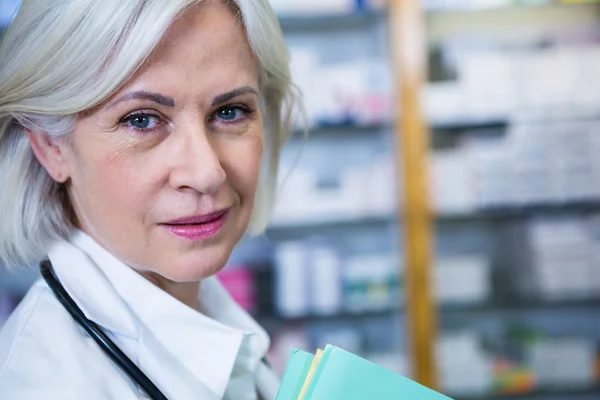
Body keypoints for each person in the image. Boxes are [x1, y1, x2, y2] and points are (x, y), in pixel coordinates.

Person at [0, 0, 301, 398]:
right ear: (50, 147)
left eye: (230, 112)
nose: (206, 172)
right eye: (141, 119)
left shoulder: (204, 306)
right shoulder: (42, 384)